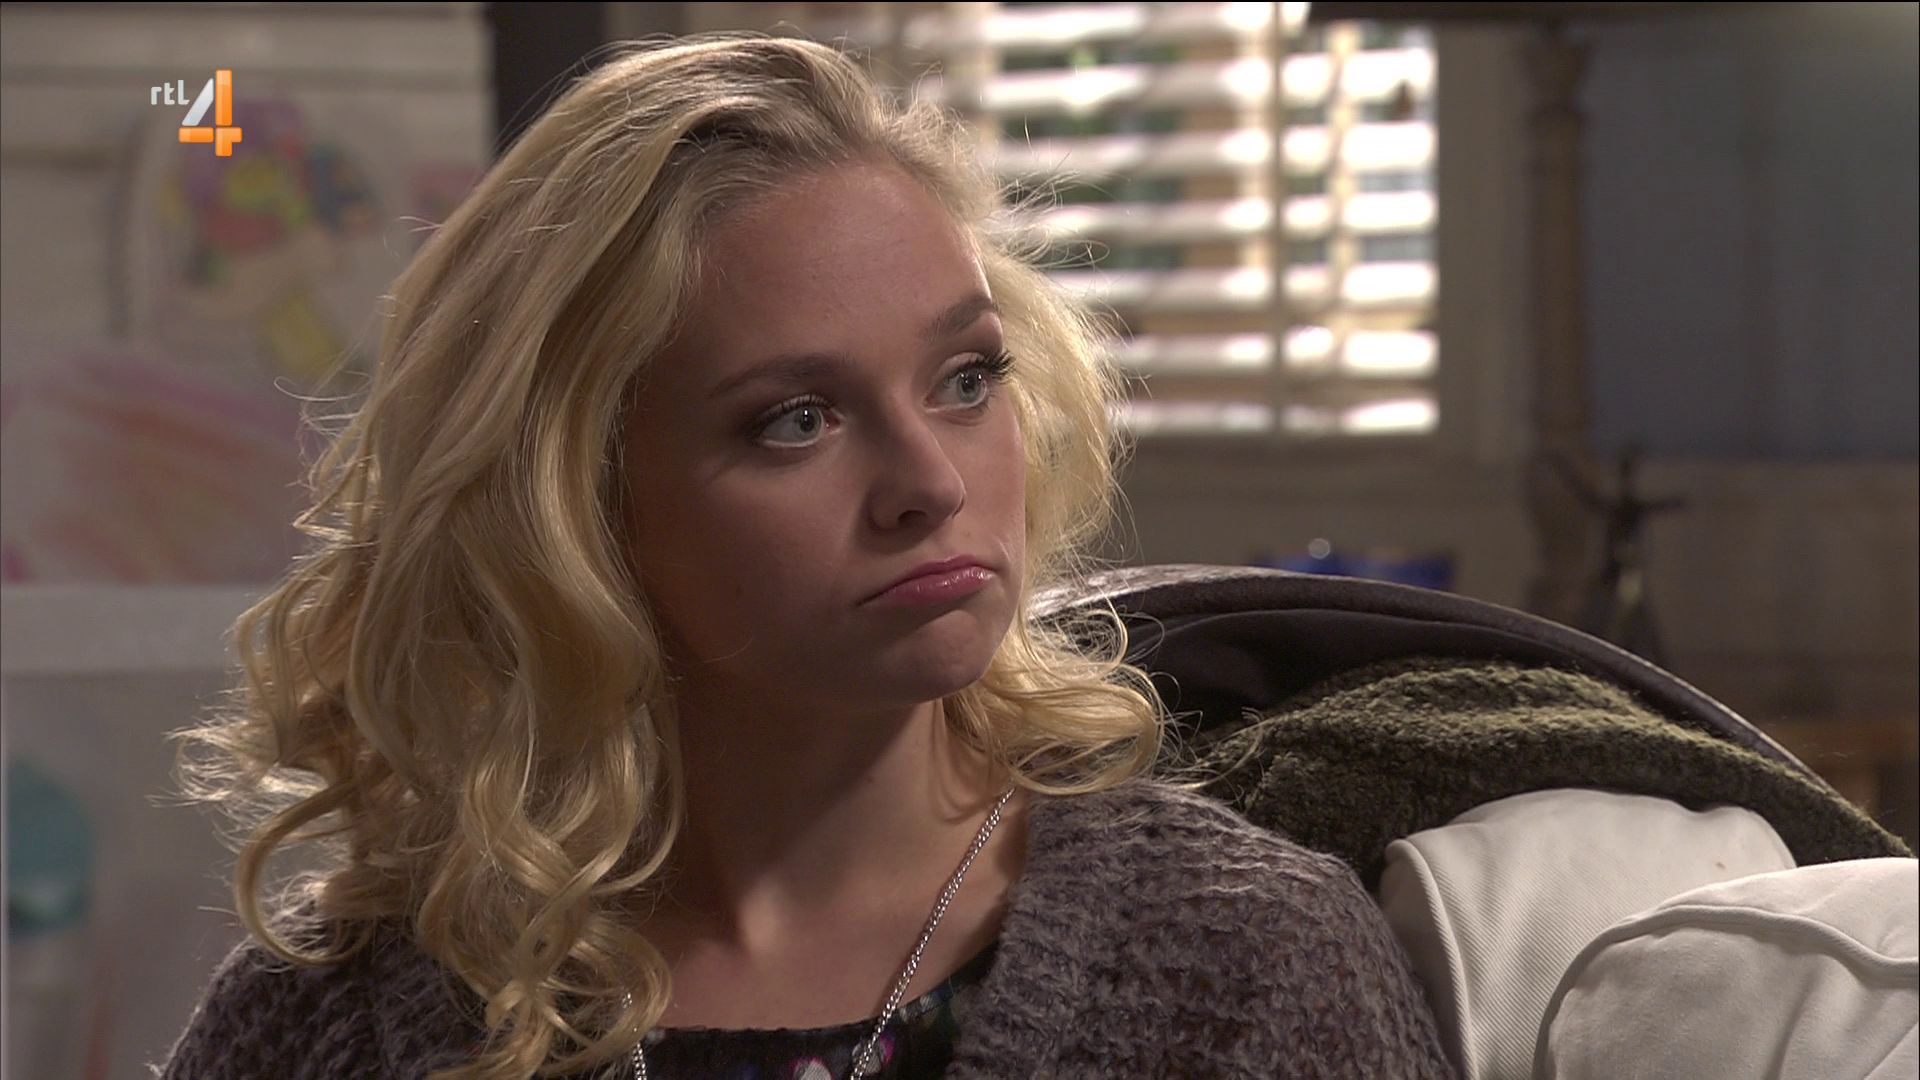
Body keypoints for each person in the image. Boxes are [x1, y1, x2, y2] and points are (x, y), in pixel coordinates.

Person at [161, 33, 1455, 1080]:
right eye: (796, 420)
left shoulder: (1242, 962)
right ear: (575, 507)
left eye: (966, 378)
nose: (932, 483)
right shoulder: (342, 1009)